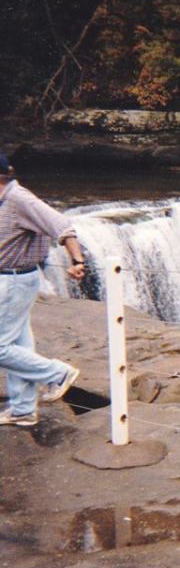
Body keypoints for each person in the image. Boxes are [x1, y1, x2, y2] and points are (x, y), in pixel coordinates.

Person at [0, 151, 84, 427]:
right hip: (14, 280)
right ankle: (23, 409)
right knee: (17, 344)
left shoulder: (19, 199)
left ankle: (56, 374)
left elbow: (62, 225)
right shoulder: (5, 199)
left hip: (13, 281)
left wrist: (77, 259)